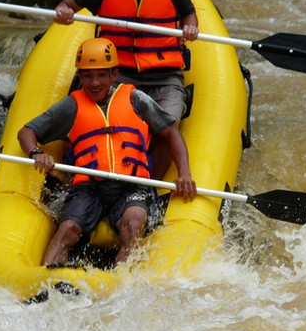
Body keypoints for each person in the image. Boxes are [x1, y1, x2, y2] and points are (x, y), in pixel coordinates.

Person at [18, 37, 197, 267]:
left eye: (102, 75)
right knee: (68, 230)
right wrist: (35, 153)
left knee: (133, 226)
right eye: (88, 75)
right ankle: (44, 285)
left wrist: (185, 173)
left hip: (131, 184)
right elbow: (26, 132)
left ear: (114, 75)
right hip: (89, 186)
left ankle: (117, 291)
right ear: (79, 77)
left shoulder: (135, 99)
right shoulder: (71, 106)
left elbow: (171, 133)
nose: (94, 83)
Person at [53, 0, 198, 180]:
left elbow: (189, 14)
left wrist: (190, 28)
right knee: (92, 116)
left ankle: (147, 186)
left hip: (165, 75)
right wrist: (63, 12)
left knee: (168, 125)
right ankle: (81, 178)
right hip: (118, 73)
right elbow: (69, 5)